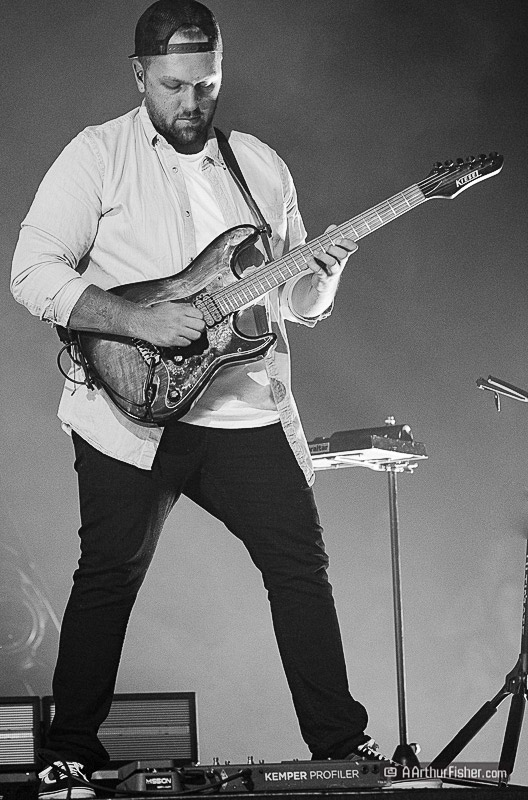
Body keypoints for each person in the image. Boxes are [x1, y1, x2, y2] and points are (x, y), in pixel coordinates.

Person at [11, 2, 396, 797]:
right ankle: (70, 752)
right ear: (139, 75)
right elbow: (32, 273)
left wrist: (325, 272)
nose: (192, 103)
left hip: (243, 410)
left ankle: (342, 748)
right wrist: (140, 320)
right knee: (108, 575)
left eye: (207, 85)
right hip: (130, 412)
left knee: (299, 567)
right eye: (174, 86)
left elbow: (294, 303)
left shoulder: (258, 164)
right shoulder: (97, 155)